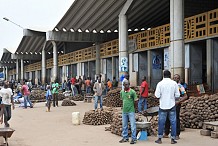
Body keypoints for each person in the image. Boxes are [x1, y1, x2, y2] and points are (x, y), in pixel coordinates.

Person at [154, 70, 180, 144]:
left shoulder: (160, 84)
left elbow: (157, 95)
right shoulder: (174, 83)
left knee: (161, 122)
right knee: (173, 122)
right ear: (170, 75)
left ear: (163, 75)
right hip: (172, 105)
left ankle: (159, 139)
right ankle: (173, 139)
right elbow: (177, 95)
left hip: (162, 106)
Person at [163, 74, 188, 140]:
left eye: (177, 78)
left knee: (176, 119)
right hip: (168, 104)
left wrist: (178, 101)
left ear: (179, 79)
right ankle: (166, 133)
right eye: (174, 78)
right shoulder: (170, 86)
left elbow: (185, 96)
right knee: (167, 118)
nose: (175, 79)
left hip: (176, 105)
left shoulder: (180, 86)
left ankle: (177, 134)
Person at [119, 79, 137, 144]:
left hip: (131, 111)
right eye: (124, 85)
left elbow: (135, 101)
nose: (126, 86)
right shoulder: (121, 92)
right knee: (124, 125)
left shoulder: (132, 92)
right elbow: (122, 100)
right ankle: (125, 137)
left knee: (133, 125)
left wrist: (134, 108)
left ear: (129, 85)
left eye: (127, 84)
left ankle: (134, 139)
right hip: (124, 111)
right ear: (123, 85)